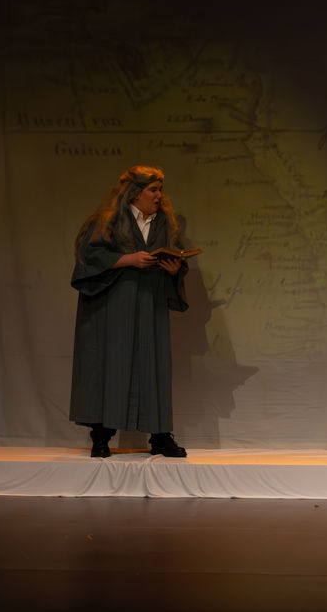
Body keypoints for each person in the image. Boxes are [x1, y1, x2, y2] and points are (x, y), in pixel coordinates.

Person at [69, 165, 189, 458]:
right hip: (116, 304)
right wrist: (129, 259)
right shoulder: (108, 220)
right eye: (153, 190)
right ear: (135, 193)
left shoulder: (164, 223)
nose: (159, 196)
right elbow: (90, 257)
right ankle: (101, 437)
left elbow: (177, 255)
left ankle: (160, 437)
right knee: (112, 364)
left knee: (153, 365)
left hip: (150, 302)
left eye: (160, 190)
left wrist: (174, 269)